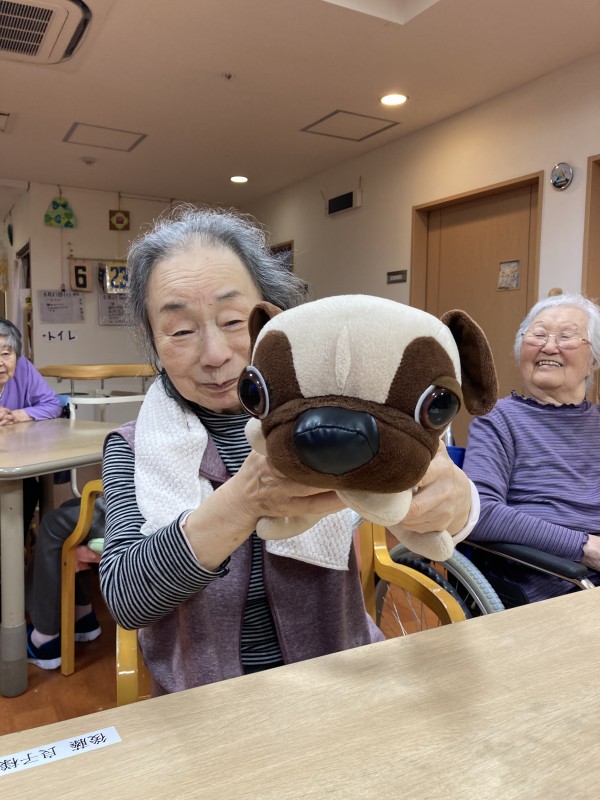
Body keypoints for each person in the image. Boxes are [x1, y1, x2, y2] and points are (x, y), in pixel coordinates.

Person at [99, 205, 478, 696]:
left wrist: (454, 502)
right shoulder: (134, 447)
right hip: (205, 699)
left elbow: (447, 509)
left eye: (233, 320)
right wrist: (243, 501)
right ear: (153, 340)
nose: (215, 355)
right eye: (181, 331)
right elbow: (129, 599)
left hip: (341, 679)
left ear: (272, 318)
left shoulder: (345, 410)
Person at [463, 293, 600, 604]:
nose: (549, 347)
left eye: (566, 337)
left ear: (593, 360)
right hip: (548, 580)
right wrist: (585, 547)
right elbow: (480, 512)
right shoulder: (497, 420)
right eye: (538, 335)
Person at [25, 497, 105, 669]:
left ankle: (43, 639)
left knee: (52, 524)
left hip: (133, 515)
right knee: (70, 508)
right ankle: (82, 616)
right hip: (148, 512)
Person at [0, 317, 61, 534]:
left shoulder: (23, 368)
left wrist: (18, 415)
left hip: (14, 462)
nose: (0, 362)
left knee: (28, 490)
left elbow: (52, 405)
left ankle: (16, 547)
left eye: (6, 354)